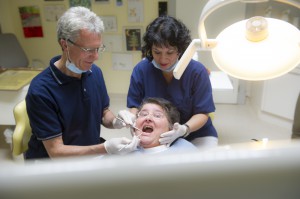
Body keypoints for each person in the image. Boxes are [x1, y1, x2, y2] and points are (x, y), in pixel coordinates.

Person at [25, 6, 137, 160]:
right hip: (52, 165)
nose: (96, 56)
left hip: (88, 152)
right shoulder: (41, 90)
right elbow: (56, 152)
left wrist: (117, 121)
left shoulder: (94, 72)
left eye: (98, 48)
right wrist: (104, 148)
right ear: (65, 45)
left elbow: (103, 113)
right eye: (88, 49)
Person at [127, 16, 218, 149]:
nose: (163, 59)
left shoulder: (196, 71)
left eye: (170, 52)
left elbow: (203, 112)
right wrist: (133, 120)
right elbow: (134, 106)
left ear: (180, 50)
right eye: (157, 52)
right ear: (150, 48)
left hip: (197, 134)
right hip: (157, 138)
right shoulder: (142, 70)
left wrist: (184, 129)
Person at [129, 97, 197, 154]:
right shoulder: (124, 151)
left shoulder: (185, 151)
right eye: (144, 114)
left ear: (171, 128)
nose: (148, 118)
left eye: (157, 116)